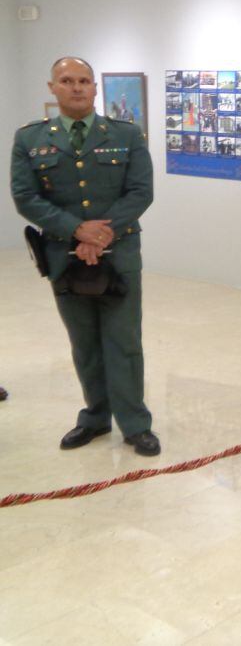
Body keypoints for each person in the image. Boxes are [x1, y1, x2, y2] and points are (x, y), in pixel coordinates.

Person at [10, 56, 159, 456]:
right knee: (85, 344)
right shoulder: (30, 140)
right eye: (67, 80)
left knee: (124, 342)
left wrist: (100, 233)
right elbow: (25, 197)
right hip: (63, 256)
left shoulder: (126, 135)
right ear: (52, 87)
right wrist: (77, 230)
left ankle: (134, 424)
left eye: (83, 81)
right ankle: (94, 418)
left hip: (119, 253)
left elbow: (141, 192)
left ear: (95, 89)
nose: (76, 87)